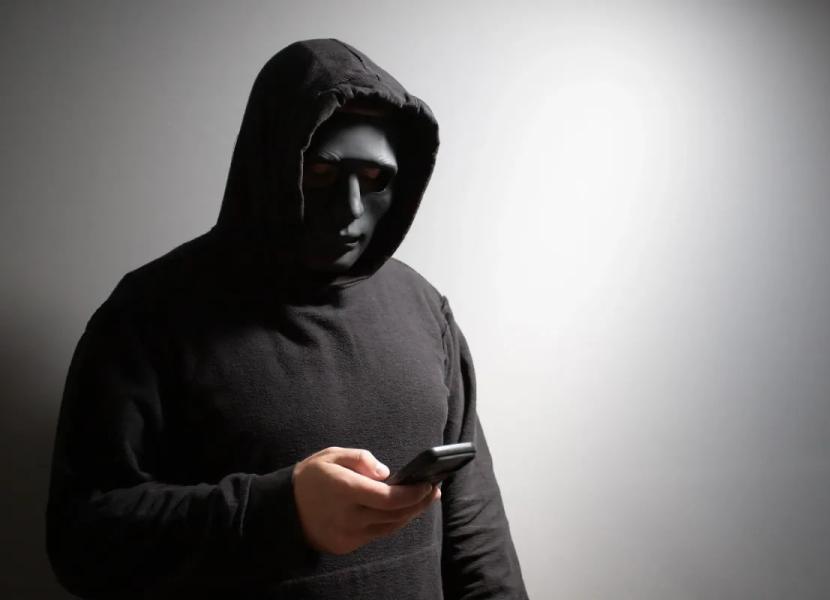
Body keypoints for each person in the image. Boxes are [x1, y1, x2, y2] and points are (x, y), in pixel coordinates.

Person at [45, 38, 529, 599]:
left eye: (375, 178)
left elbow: (473, 530)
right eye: (321, 171)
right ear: (270, 164)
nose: (351, 208)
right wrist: (281, 511)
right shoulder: (150, 313)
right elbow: (83, 540)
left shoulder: (423, 308)